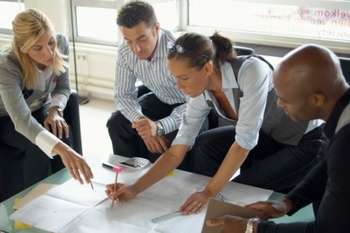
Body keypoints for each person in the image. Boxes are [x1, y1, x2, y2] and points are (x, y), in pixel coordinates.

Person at [105, 33, 326, 214]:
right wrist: (134, 188)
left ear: (208, 68)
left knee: (240, 189)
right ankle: (204, 202)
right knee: (203, 145)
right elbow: (177, 150)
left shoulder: (251, 71)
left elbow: (243, 143)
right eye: (175, 78)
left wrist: (209, 192)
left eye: (184, 78)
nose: (179, 86)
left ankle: (215, 201)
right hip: (266, 135)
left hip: (303, 141)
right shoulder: (199, 92)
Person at [205, 44, 350, 233]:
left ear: (317, 99)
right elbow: (325, 169)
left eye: (285, 100)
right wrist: (287, 203)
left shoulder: (346, 145)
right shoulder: (342, 114)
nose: (279, 104)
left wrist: (252, 228)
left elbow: (326, 230)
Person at [0, 9, 93, 201]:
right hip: (6, 118)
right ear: (23, 47)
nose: (49, 52)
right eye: (38, 48)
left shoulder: (61, 43)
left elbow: (64, 88)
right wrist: (61, 149)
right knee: (39, 147)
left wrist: (55, 110)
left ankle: (67, 195)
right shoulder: (6, 65)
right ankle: (33, 203)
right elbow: (22, 121)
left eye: (50, 42)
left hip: (39, 108)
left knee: (62, 133)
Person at [106, 1, 187, 162]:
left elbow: (196, 103)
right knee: (116, 123)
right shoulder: (125, 51)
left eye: (142, 39)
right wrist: (142, 123)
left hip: (188, 105)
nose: (136, 48)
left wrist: (158, 127)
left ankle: (157, 184)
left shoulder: (178, 51)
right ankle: (128, 177)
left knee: (164, 139)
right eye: (129, 40)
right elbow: (123, 95)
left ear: (156, 29)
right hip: (160, 97)